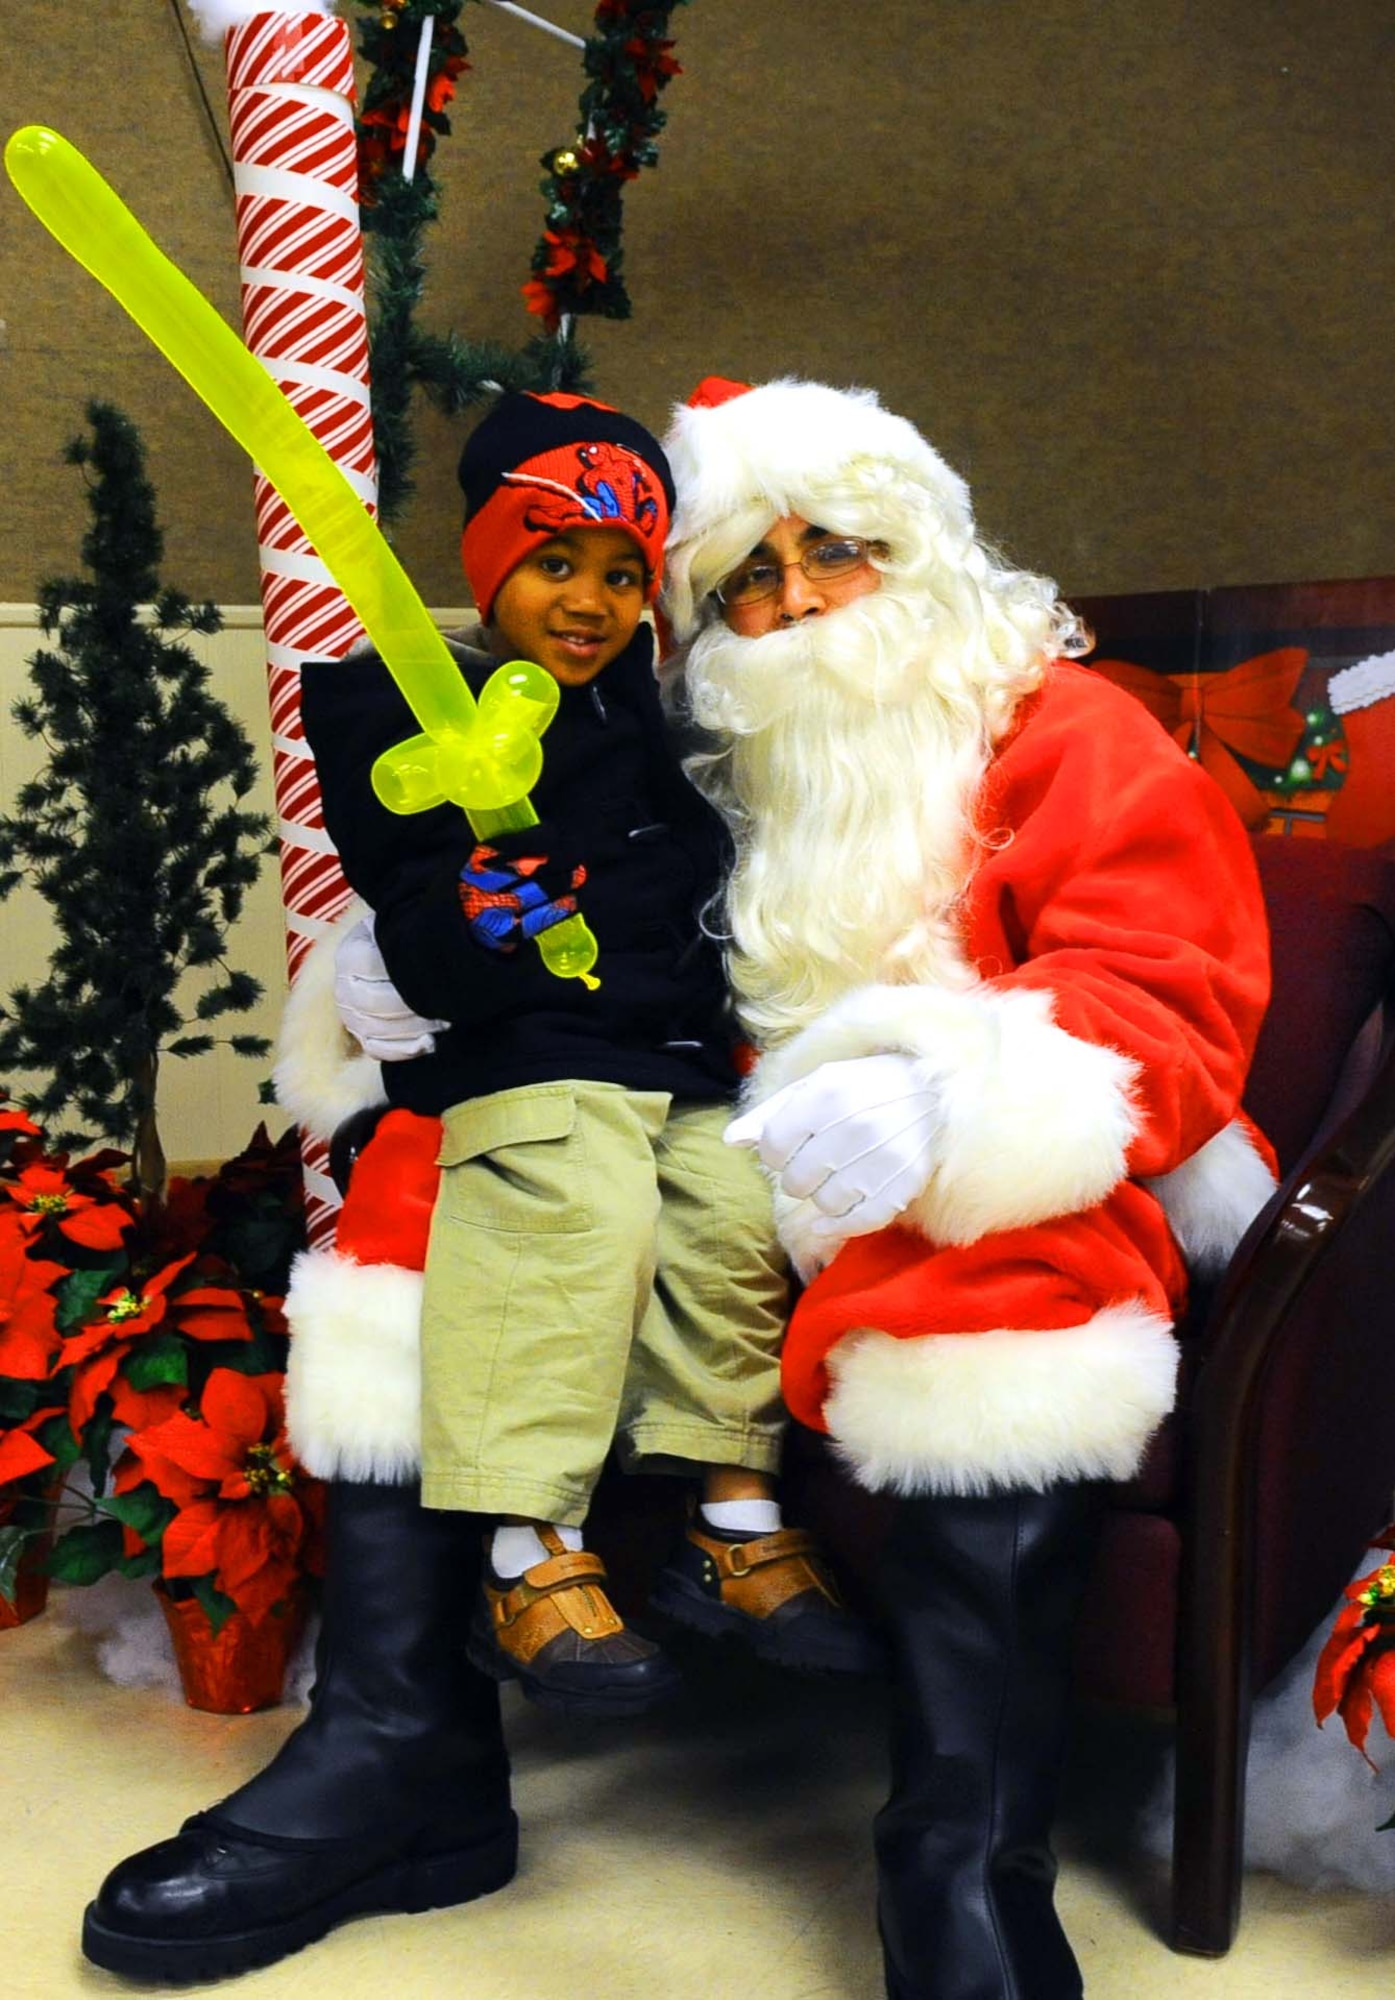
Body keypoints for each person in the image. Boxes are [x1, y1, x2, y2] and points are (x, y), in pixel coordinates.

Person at [79, 389, 868, 1984]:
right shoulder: (413, 711)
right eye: (551, 562)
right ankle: (517, 1565)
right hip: (515, 1067)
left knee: (726, 1203)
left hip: (681, 1064)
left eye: (619, 572)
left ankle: (727, 1510)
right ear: (489, 565)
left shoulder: (695, 727)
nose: (588, 600)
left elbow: (714, 896)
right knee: (556, 1189)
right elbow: (410, 932)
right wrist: (478, 915)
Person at [647, 374, 1275, 1998]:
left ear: (915, 547)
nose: (795, 607)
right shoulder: (731, 775)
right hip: (744, 1171)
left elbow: (1163, 982)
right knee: (462, 1172)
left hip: (1024, 1165)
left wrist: (941, 1098)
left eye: (832, 552)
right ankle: (396, 1755)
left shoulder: (1070, 730)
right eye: (750, 582)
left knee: (991, 1285)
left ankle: (962, 1869)